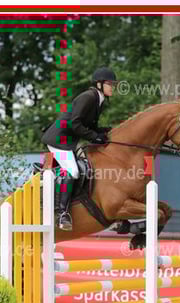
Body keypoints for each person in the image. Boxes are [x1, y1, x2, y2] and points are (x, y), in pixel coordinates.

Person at [41, 67, 117, 231]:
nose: (113, 87)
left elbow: (89, 125)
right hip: (58, 140)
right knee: (73, 171)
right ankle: (62, 213)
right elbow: (74, 123)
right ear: (99, 84)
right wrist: (94, 137)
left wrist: (105, 131)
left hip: (67, 142)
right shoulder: (88, 97)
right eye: (110, 84)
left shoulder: (99, 100)